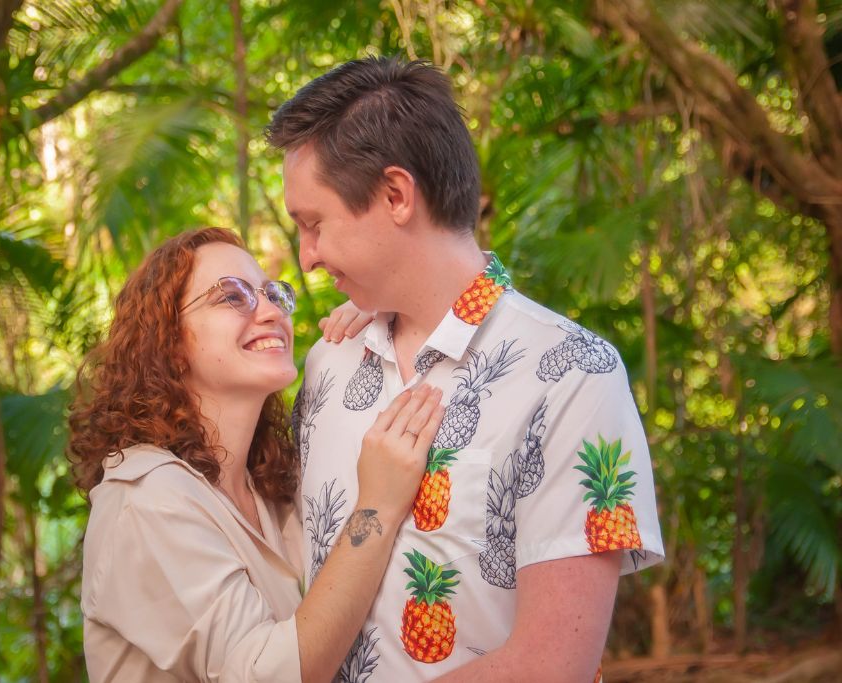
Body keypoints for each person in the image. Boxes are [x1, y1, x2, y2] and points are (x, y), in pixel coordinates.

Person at [267, 56, 665, 681]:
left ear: (396, 196)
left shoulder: (571, 375)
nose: (306, 258)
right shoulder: (327, 364)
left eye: (313, 224)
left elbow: (552, 665)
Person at [69, 227, 445, 682]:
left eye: (272, 294)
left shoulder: (268, 487)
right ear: (169, 342)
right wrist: (378, 508)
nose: (269, 311)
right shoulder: (145, 500)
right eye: (232, 297)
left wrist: (386, 319)